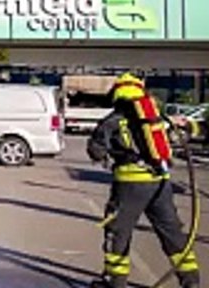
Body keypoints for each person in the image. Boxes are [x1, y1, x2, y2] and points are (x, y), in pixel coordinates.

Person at [86, 72, 201, 288]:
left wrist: (106, 154)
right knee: (172, 233)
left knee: (118, 232)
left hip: (129, 186)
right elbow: (182, 135)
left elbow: (96, 151)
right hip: (160, 183)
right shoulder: (154, 117)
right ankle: (191, 281)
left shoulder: (112, 120)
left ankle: (115, 282)